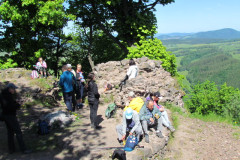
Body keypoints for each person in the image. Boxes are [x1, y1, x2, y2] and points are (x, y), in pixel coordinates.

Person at [0, 83, 31, 154]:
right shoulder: (7, 95)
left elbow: (7, 104)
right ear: (10, 88)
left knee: (10, 132)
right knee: (18, 132)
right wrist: (18, 105)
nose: (14, 90)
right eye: (13, 89)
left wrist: (15, 103)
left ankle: (11, 149)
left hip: (5, 115)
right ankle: (23, 149)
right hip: (10, 115)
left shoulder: (4, 94)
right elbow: (9, 106)